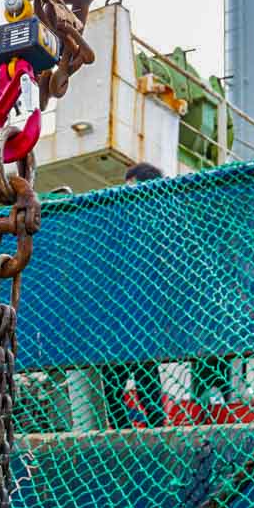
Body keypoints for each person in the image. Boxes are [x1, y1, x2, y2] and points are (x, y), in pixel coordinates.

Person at [103, 162, 166, 429]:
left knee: (144, 374)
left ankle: (156, 426)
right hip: (121, 312)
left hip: (144, 313)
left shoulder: (160, 225)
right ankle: (122, 429)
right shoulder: (120, 225)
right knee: (113, 379)